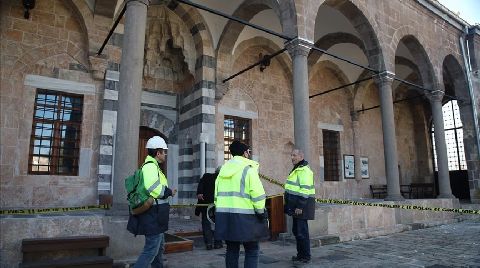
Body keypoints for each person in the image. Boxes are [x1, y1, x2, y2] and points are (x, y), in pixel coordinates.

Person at [214, 140, 269, 268]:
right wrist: (260, 212)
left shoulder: (222, 171)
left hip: (226, 218)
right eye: (249, 152)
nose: (249, 154)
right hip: (247, 219)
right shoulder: (248, 170)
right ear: (244, 153)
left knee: (232, 250)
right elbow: (258, 195)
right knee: (252, 250)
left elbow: (216, 196)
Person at [127, 136, 176, 268]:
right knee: (151, 251)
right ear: (158, 152)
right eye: (164, 151)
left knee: (158, 250)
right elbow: (154, 189)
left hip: (157, 216)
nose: (165, 154)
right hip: (153, 216)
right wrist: (169, 192)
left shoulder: (154, 166)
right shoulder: (150, 167)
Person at [284, 148, 315, 264]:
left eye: (295, 155)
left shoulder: (304, 171)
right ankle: (300, 255)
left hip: (301, 207)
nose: (292, 157)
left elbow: (305, 190)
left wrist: (300, 206)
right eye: (291, 155)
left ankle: (305, 256)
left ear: (301, 156)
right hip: (295, 206)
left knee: (302, 232)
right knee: (297, 231)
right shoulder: (297, 169)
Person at [196, 168, 223, 250]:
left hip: (206, 204)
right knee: (219, 224)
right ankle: (218, 243)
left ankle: (209, 243)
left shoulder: (207, 176)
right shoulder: (223, 179)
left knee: (206, 223)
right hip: (218, 205)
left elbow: (201, 185)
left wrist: (199, 192)